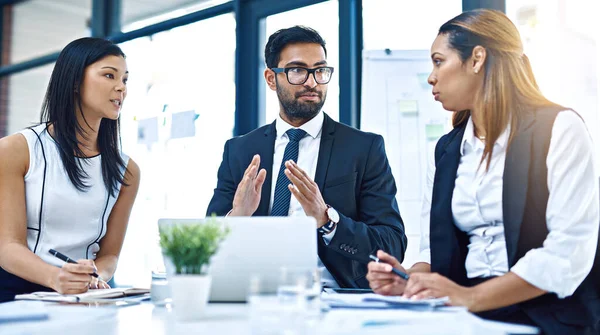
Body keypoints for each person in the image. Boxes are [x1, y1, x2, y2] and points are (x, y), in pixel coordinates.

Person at [366, 9, 600, 335]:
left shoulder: (560, 129)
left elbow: (568, 252)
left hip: (545, 315)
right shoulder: (447, 150)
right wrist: (409, 278)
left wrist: (470, 297)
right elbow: (436, 250)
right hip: (466, 316)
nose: (431, 77)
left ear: (477, 59)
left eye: (438, 61)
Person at [207, 26, 406, 288]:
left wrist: (327, 220)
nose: (312, 82)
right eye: (298, 70)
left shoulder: (364, 148)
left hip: (335, 299)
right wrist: (238, 217)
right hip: (253, 294)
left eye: (320, 71)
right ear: (270, 78)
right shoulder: (240, 151)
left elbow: (391, 245)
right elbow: (205, 246)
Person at [0, 37, 140, 302]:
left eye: (124, 80)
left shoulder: (128, 171)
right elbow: (7, 246)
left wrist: (94, 273)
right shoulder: (16, 150)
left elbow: (110, 255)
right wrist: (55, 278)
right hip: (14, 295)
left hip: (81, 298)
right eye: (109, 76)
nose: (120, 88)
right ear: (75, 81)